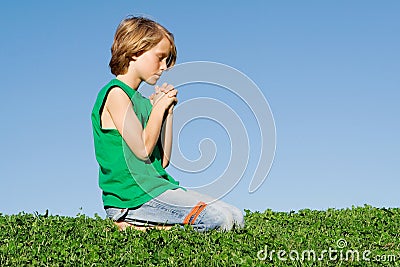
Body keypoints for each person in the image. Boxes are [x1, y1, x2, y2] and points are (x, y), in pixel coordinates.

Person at [91, 16, 244, 232]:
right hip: (132, 198)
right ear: (136, 51)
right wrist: (159, 109)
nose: (164, 67)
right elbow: (143, 150)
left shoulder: (142, 102)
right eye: (160, 57)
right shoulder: (116, 94)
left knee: (236, 216)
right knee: (217, 220)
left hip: (158, 189)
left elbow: (162, 161)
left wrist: (167, 112)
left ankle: (144, 226)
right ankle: (133, 226)